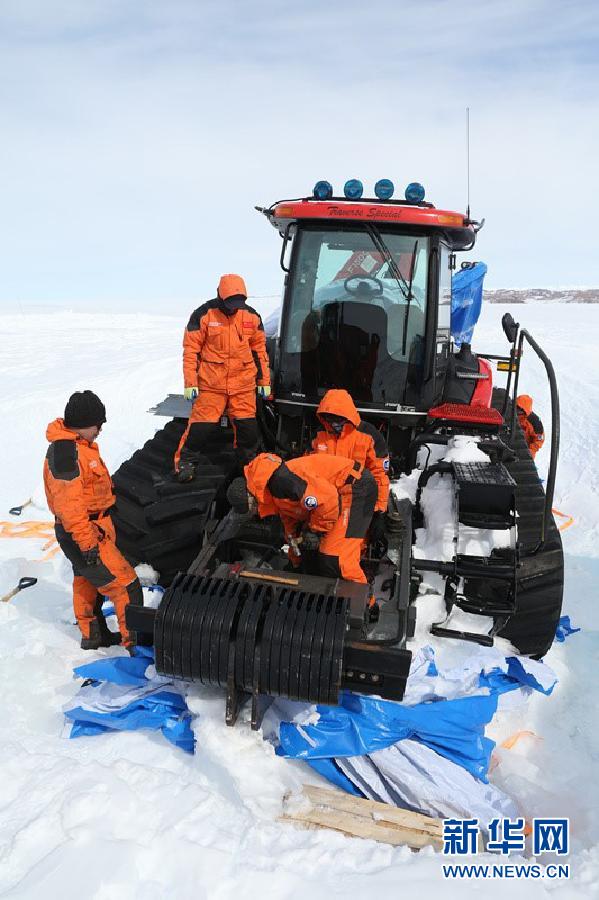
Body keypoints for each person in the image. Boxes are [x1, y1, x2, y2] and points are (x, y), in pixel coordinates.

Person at [43, 391, 143, 650]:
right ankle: (136, 644)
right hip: (83, 531)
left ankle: (94, 636)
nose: (100, 429)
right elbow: (69, 506)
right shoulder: (67, 453)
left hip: (91, 527)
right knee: (126, 585)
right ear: (83, 423)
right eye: (97, 424)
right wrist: (87, 544)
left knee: (87, 582)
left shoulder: (79, 446)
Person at [175, 274, 271, 481]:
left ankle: (247, 467)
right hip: (212, 385)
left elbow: (259, 350)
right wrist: (190, 383)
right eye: (231, 302)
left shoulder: (252, 317)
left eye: (239, 302)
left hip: (243, 385)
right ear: (221, 296)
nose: (234, 306)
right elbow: (191, 351)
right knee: (200, 427)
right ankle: (185, 462)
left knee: (248, 431)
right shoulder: (203, 315)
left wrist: (264, 381)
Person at [228, 451, 377, 583]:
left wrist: (315, 532)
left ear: (251, 498)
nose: (254, 513)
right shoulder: (269, 490)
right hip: (331, 500)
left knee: (334, 559)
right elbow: (290, 518)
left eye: (251, 509)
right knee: (312, 551)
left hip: (354, 489)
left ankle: (364, 605)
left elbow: (329, 500)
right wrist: (296, 561)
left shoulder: (282, 481)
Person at [311, 389, 389, 547]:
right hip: (324, 503)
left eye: (338, 419)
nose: (333, 423)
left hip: (356, 504)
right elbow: (307, 470)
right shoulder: (319, 435)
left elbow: (379, 475)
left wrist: (379, 512)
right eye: (329, 418)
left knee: (349, 552)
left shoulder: (369, 435)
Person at [516, 394, 545, 459]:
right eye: (516, 406)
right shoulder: (511, 414)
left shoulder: (534, 421)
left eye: (519, 408)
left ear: (524, 408)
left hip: (526, 452)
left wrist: (529, 451)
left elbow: (539, 440)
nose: (517, 409)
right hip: (511, 447)